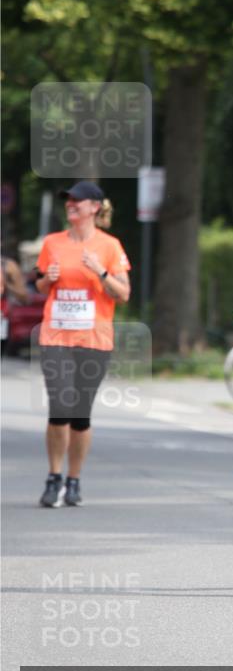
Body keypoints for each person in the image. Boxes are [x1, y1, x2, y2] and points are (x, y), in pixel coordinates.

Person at [34, 181, 131, 508]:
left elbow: (124, 293)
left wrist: (100, 271)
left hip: (94, 339)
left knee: (80, 414)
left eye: (78, 201)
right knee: (59, 408)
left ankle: (74, 480)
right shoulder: (52, 243)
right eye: (68, 201)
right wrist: (47, 279)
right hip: (56, 336)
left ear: (94, 207)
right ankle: (54, 476)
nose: (71, 204)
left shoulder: (109, 246)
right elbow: (39, 283)